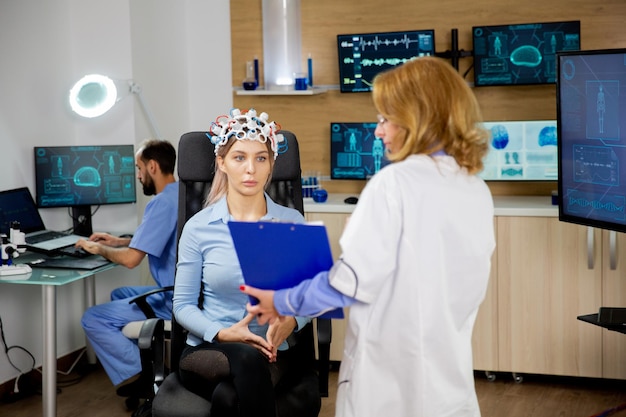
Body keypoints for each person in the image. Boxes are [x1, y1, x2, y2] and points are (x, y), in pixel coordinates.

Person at [242, 56, 496, 417]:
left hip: (391, 387)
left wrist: (281, 300)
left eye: (385, 119)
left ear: (416, 117)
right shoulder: (474, 188)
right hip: (448, 385)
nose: (378, 132)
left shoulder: (394, 184)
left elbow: (350, 282)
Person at [173, 108, 316, 417]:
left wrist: (290, 322)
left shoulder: (292, 222)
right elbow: (182, 305)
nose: (250, 169)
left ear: (271, 165)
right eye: (239, 158)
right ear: (222, 163)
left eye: (261, 158)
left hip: (271, 350)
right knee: (244, 360)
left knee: (228, 398)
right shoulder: (199, 227)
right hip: (209, 349)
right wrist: (224, 333)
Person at [77, 139, 179, 397]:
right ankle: (148, 364)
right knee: (120, 293)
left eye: (138, 168)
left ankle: (148, 377)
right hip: (184, 291)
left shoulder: (160, 203)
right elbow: (161, 236)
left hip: (173, 299)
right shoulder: (180, 194)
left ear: (152, 166)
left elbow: (132, 260)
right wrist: (118, 241)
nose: (138, 175)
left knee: (93, 318)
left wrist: (99, 249)